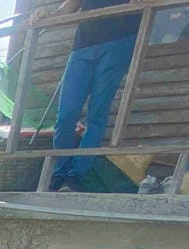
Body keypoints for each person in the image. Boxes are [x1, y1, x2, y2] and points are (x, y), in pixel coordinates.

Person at [32, 0, 144, 192]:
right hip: (83, 45)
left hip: (119, 42)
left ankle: (77, 174)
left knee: (97, 112)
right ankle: (61, 171)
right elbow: (69, 7)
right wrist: (47, 14)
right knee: (67, 113)